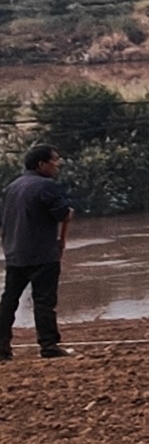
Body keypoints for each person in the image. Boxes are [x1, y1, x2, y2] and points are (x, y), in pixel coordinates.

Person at [2, 145, 65, 359]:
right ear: (41, 164)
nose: (57, 164)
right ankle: (49, 346)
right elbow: (61, 213)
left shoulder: (12, 187)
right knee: (44, 301)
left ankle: (2, 348)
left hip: (14, 254)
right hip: (42, 255)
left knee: (9, 301)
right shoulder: (46, 186)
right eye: (54, 160)